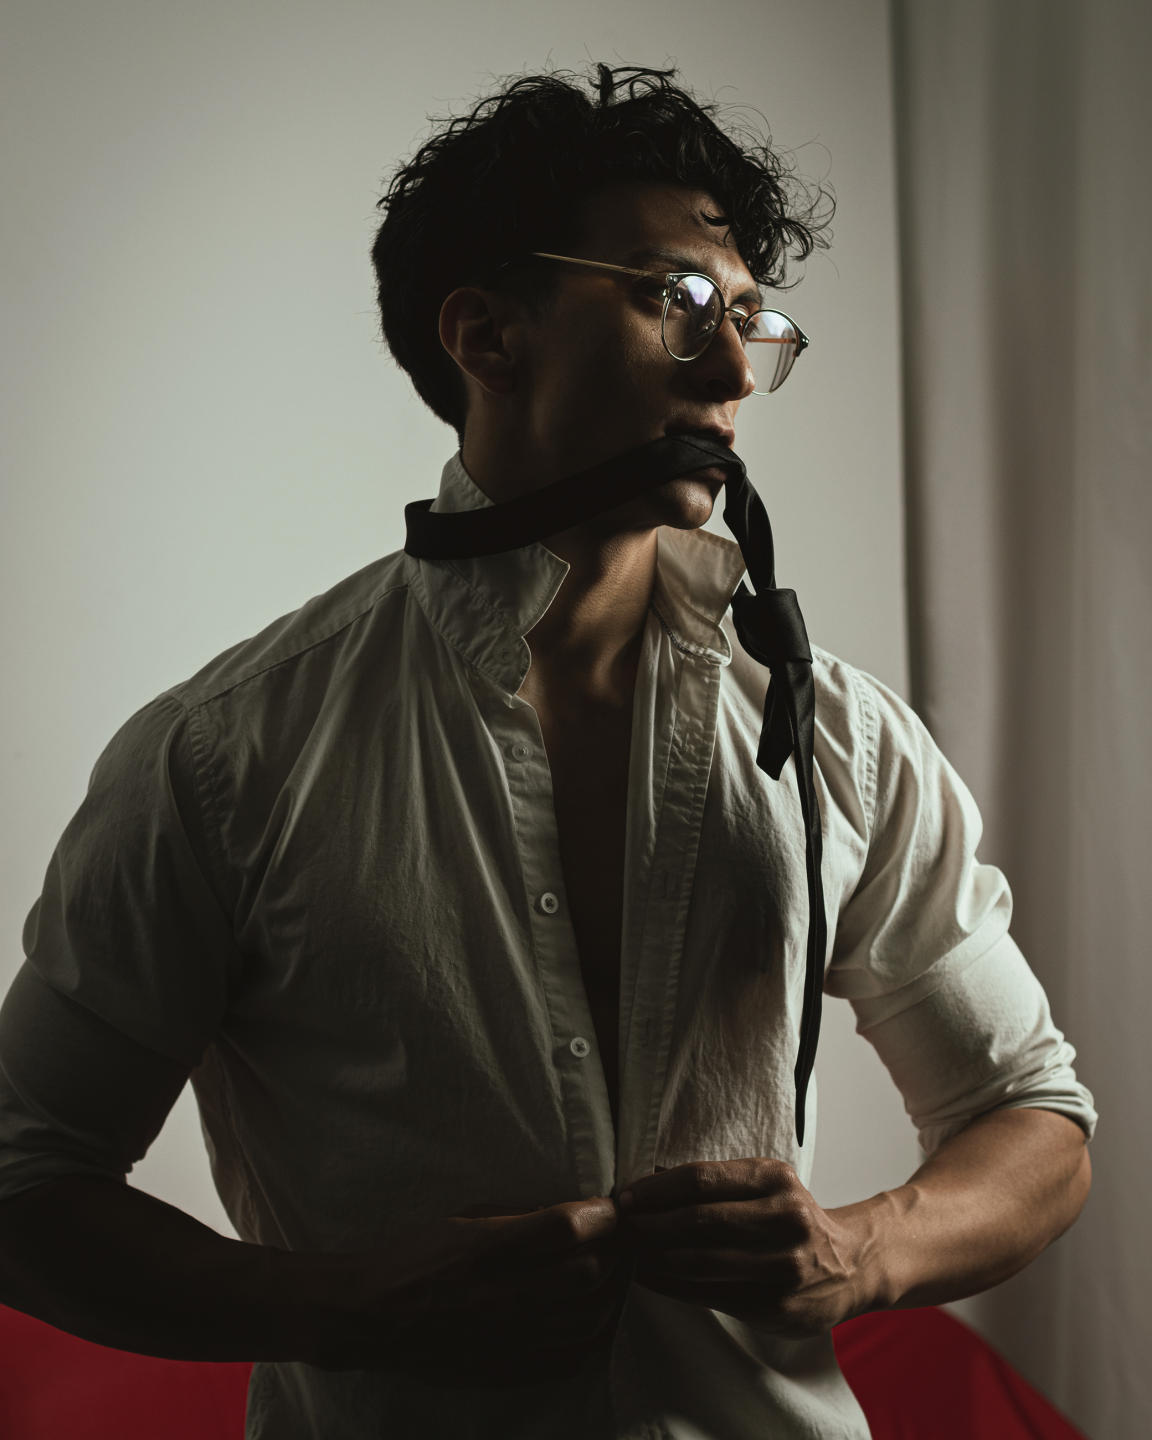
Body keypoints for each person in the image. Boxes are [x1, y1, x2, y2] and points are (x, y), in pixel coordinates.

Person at [0, 61, 1096, 1440]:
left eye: (749, 319)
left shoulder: (843, 737)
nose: (732, 371)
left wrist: (861, 1251)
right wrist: (350, 1304)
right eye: (676, 300)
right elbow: (25, 1184)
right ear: (486, 334)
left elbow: (1030, 1115)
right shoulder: (224, 758)